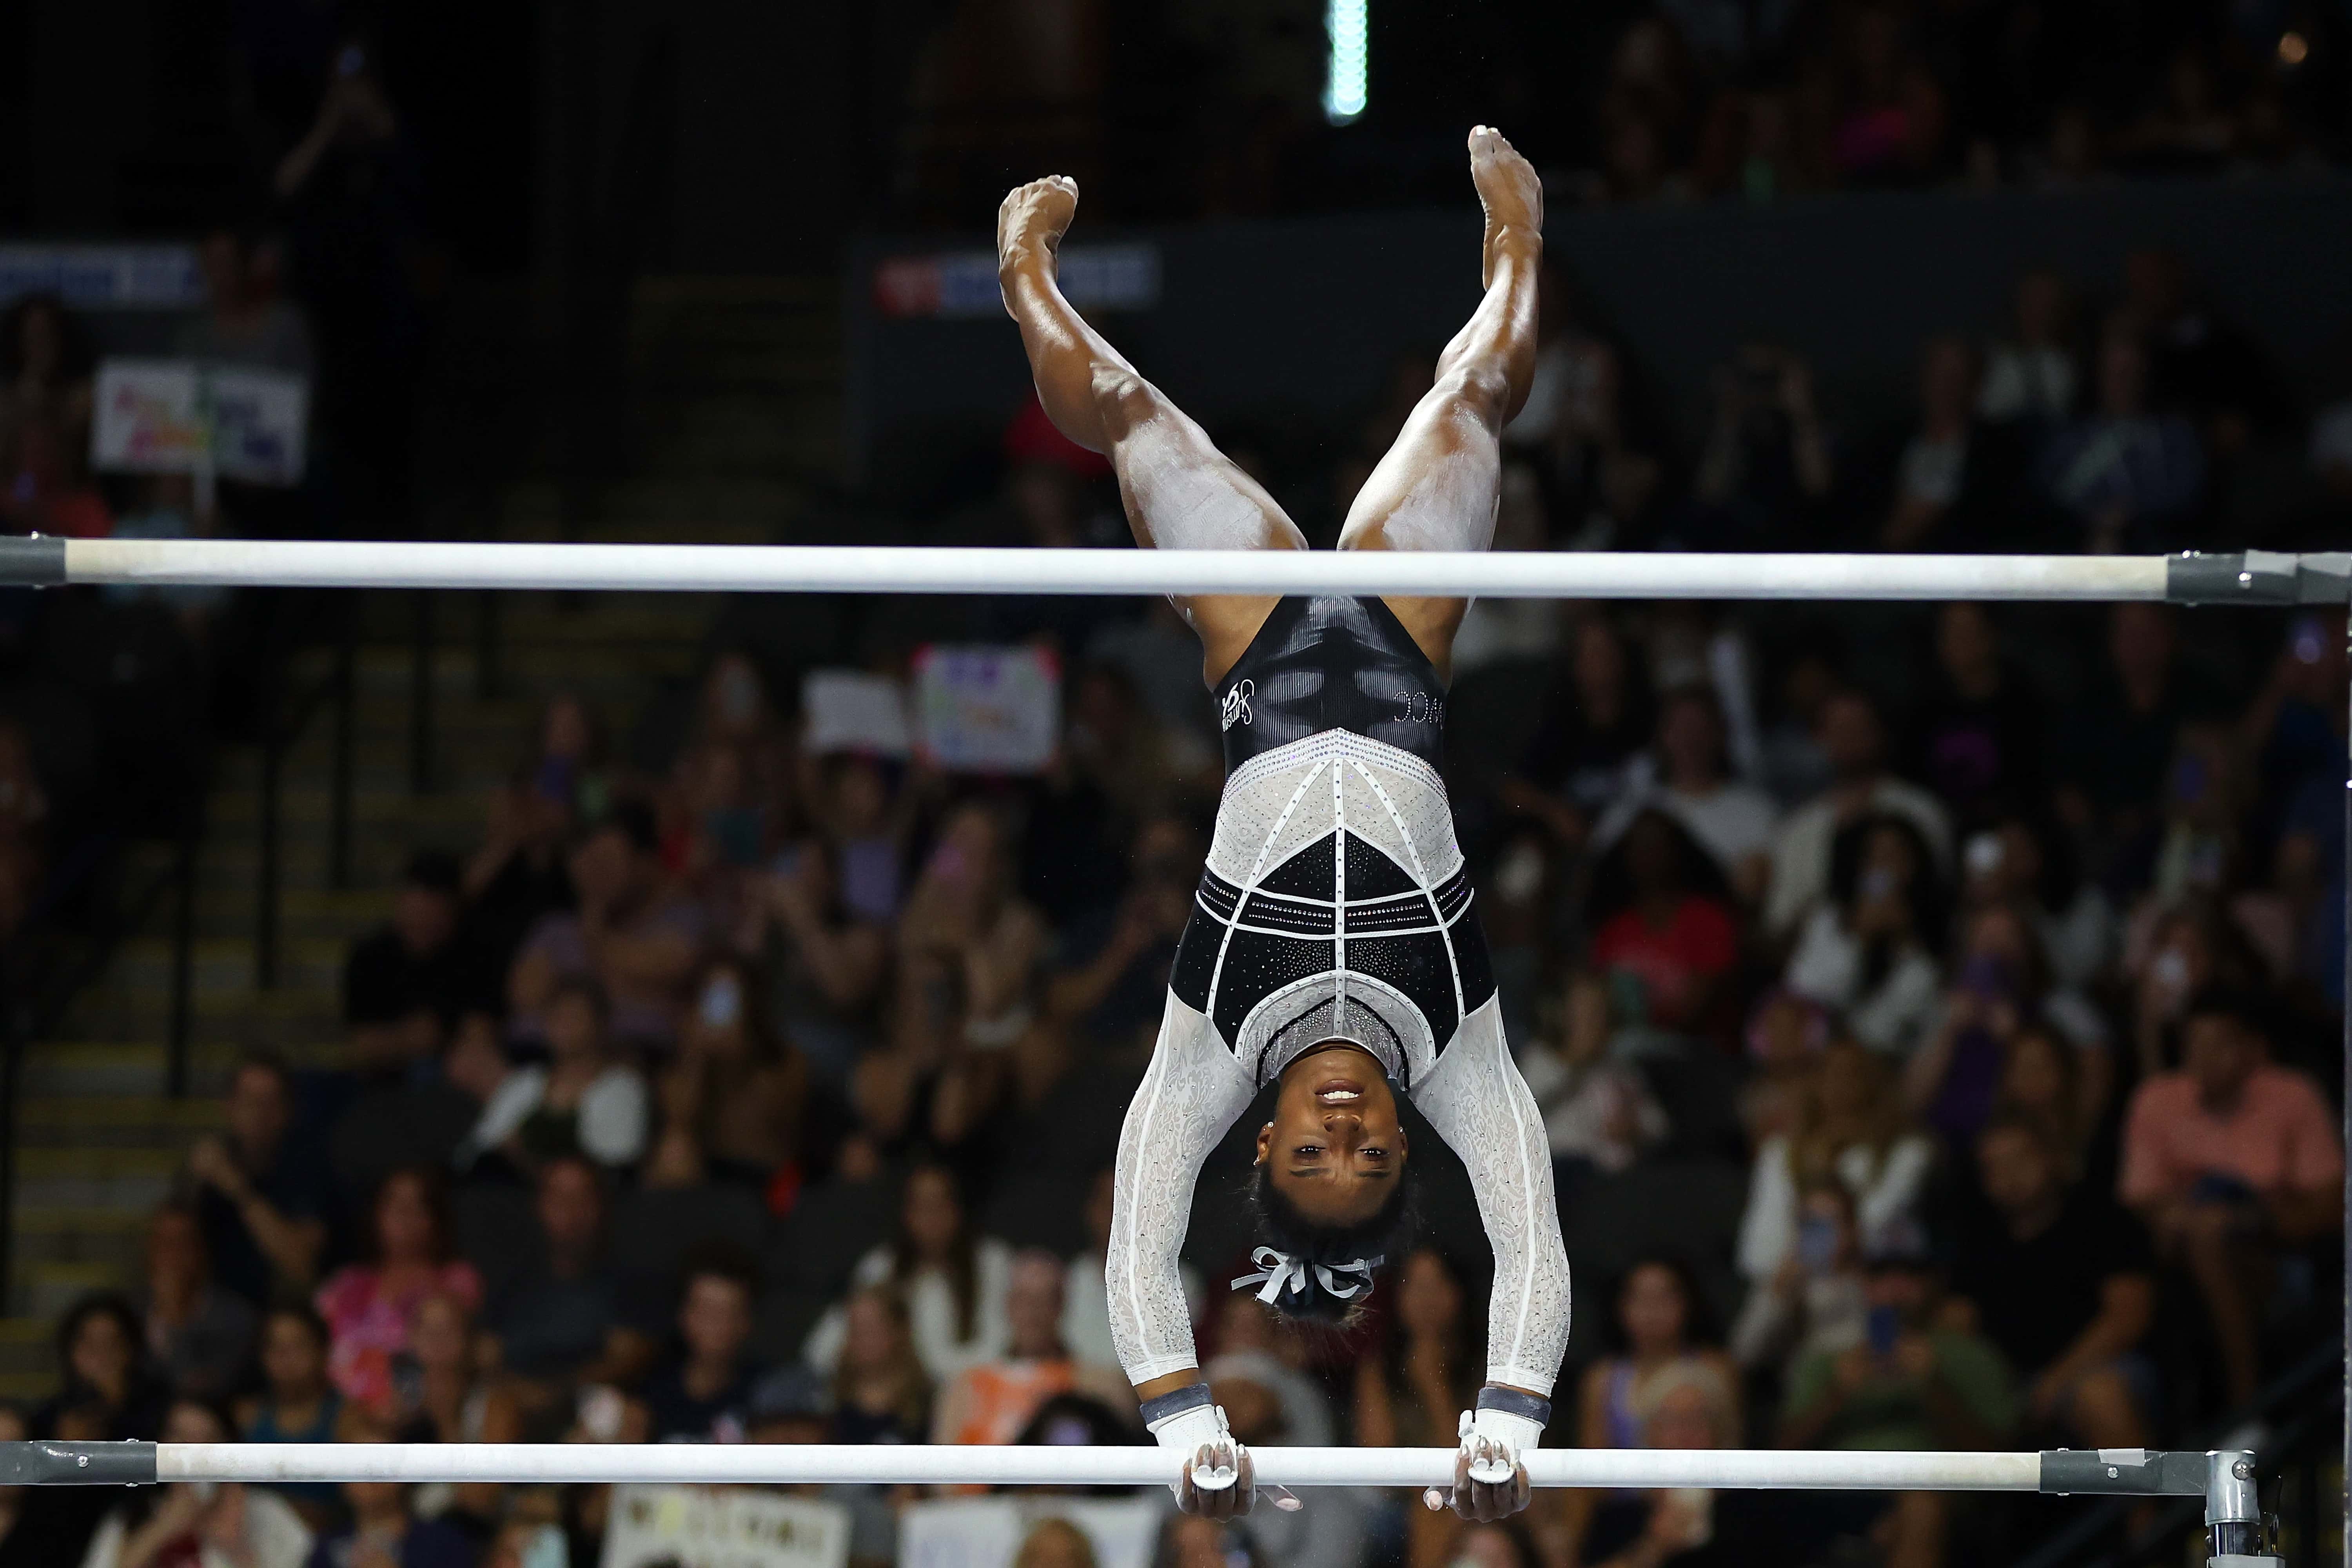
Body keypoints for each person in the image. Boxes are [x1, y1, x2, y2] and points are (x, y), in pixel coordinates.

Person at [998, 129, 1571, 1522]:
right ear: (1398, 1136)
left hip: (1259, 659)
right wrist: (1506, 1408)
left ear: (1257, 1144)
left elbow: (1136, 1239)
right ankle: (1517, 251)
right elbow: (1530, 1239)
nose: (1338, 1132)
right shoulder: (1454, 1046)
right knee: (1473, 404)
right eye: (1367, 1156)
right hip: (1394, 653)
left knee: (1134, 413)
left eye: (1311, 1156)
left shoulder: (1208, 1046)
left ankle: (1021, 273)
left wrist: (1179, 1413)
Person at [2118, 987, 2343, 1407]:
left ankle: (2246, 1404)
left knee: (2211, 1232)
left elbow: (2330, 1206)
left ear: (2253, 1049)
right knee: (2197, 1237)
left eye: (2218, 1043)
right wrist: (2186, 1216)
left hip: (2278, 1252)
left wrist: (2243, 1220)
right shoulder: (2157, 1099)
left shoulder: (2293, 1095)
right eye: (2194, 1044)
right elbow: (2141, 1198)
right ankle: (2243, 1409)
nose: (2204, 1056)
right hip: (2178, 1254)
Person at [1777, 1247, 2017, 1568]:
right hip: (1831, 1498)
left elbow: (2003, 1461)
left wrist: (1934, 1386)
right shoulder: (1826, 1360)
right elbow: (1779, 1454)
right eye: (1881, 1276)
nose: (1895, 1288)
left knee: (1921, 1506)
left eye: (1909, 1275)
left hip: (1935, 1498)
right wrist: (1835, 1396)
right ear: (1863, 1283)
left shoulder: (1970, 1356)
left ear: (1933, 1283)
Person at [1953, 1116, 2153, 1447]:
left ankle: (2147, 1500)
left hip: (2100, 1368)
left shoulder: (2104, 1220)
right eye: (1995, 1167)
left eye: (2021, 1159)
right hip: (2012, 1382)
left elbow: (2130, 1317)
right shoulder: (1979, 1240)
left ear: (2051, 1157)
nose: (2009, 1176)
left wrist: (2055, 1382)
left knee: (2100, 1395)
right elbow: (1958, 1323)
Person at [508, 801, 705, 1053]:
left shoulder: (683, 919)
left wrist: (594, 941)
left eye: (608, 862)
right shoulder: (556, 928)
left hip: (637, 1057)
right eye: (588, 860)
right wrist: (625, 985)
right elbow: (525, 996)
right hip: (538, 1056)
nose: (595, 874)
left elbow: (664, 972)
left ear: (644, 863)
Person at [1738, 1041, 1933, 1284]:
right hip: (1789, 1285)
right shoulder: (1781, 1151)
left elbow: (1875, 1228)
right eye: (1827, 1072)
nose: (1839, 1084)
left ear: (1874, 1082)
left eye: (1852, 1074)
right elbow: (1758, 1248)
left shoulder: (1908, 1152)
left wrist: (1811, 1261)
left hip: (1871, 1284)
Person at [1764, 690, 1950, 942]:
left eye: (1859, 727)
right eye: (1839, 729)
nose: (1849, 738)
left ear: (1881, 732)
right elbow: (1778, 923)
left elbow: (1941, 904)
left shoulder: (1922, 810)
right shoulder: (1798, 828)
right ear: (1820, 737)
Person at [804, 1162, 1015, 1384]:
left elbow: (1004, 1345)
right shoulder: (880, 1266)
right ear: (906, 1214)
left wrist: (928, 1372)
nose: (932, 1216)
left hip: (970, 1393)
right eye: (921, 1206)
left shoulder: (994, 1262)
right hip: (896, 1398)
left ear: (958, 1209)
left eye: (940, 1204)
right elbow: (821, 1349)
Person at [313, 1168, 484, 1409]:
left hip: (422, 1416)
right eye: (394, 1204)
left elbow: (458, 1357)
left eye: (418, 1206)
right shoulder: (345, 1284)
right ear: (376, 1215)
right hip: (341, 1417)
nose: (405, 1215)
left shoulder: (455, 1281)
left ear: (436, 1219)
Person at [485, 1156, 650, 1400]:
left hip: (593, 1408)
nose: (571, 1212)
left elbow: (626, 1363)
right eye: (559, 1198)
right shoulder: (513, 1285)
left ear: (601, 1206)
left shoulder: (627, 1284)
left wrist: (555, 1394)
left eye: (582, 1199)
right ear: (540, 1206)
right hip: (516, 1406)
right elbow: (485, 1359)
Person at [80, 1399, 313, 1568]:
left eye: (207, 1439)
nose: (192, 1453)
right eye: (181, 1438)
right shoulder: (131, 1517)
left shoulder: (267, 1511)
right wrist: (160, 1530)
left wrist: (235, 1547)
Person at [931, 1249, 1130, 1446]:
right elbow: (940, 1472)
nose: (1033, 1313)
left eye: (1045, 1300)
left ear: (1062, 1305)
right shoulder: (965, 1388)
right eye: (1024, 1299)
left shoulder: (1102, 1387)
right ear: (1008, 1304)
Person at [1782, 814, 1944, 1057]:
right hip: (1809, 1056)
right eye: (1874, 857)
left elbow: (1881, 1035)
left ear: (1916, 868)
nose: (1884, 868)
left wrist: (1903, 943)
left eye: (1896, 857)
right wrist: (1860, 938)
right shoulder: (1828, 920)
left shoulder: (1927, 951)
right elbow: (1802, 1000)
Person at [179, 1054, 332, 1307]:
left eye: (270, 1102)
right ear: (229, 1106)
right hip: (218, 1314)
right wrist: (192, 1184)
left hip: (283, 1313)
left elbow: (302, 1265)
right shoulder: (211, 1164)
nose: (259, 1113)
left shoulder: (308, 1168)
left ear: (288, 1111)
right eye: (249, 1101)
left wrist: (239, 1189)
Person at [1588, 811, 1740, 1039]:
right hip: (1621, 1046)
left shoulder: (1708, 921)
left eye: (1656, 845)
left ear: (1676, 852)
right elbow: (1597, 1002)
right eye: (1639, 847)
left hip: (1696, 1050)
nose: (1647, 856)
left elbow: (1697, 1011)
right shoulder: (1615, 928)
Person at [659, 957, 807, 1189]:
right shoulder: (687, 1058)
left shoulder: (785, 1060)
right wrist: (697, 1058)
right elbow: (679, 1119)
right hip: (709, 1176)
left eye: (730, 996)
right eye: (713, 995)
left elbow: (781, 1119)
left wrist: (742, 1056)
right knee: (675, 1151)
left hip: (767, 1176)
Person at [343, 851, 483, 1079]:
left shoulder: (471, 958)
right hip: (382, 1087)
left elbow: (480, 1035)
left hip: (453, 1084)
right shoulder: (372, 957)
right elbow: (361, 1046)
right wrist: (410, 1039)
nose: (421, 924)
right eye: (414, 915)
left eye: (432, 918)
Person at [392, 1294, 518, 1529]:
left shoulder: (495, 1404)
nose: (438, 1339)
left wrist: (448, 1421)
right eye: (428, 1328)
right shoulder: (394, 1400)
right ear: (412, 1337)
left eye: (449, 1328)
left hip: (475, 1534)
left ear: (469, 1340)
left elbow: (480, 1502)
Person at [298, 1412, 474, 1568]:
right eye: (358, 1462)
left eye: (381, 1462)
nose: (370, 1473)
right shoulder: (325, 1551)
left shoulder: (445, 1545)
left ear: (405, 1471)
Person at [639, 1249, 764, 1443]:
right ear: (683, 1315)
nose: (715, 1325)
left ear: (747, 1321)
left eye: (728, 1313)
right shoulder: (647, 1393)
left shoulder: (770, 1395)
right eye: (705, 1310)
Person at [236, 1307, 343, 1526]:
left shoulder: (348, 1421)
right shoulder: (245, 1417)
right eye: (276, 1347)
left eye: (298, 1346)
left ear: (323, 1351)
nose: (286, 1358)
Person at [139, 1206, 258, 1402]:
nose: (172, 1253)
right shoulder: (131, 1311)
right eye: (163, 1241)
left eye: (183, 1242)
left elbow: (205, 1392)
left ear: (202, 1249)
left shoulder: (236, 1319)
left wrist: (174, 1314)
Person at [827, 1285, 931, 1444]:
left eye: (871, 1329)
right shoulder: (827, 1401)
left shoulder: (929, 1404)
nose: (862, 1339)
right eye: (855, 1329)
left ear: (899, 1331)